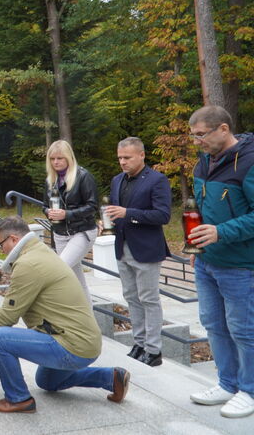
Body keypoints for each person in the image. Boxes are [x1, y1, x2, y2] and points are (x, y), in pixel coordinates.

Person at [0, 216, 129, 414]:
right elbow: (12, 307)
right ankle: (111, 378)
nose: (1, 249)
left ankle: (18, 399)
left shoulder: (28, 264)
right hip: (85, 342)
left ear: (13, 239)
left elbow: (9, 315)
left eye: (0, 244)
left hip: (71, 344)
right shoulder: (40, 252)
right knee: (46, 381)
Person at [186, 105, 254, 419]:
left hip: (241, 265)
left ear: (223, 129)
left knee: (244, 329)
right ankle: (227, 383)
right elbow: (201, 211)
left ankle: (249, 390)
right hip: (206, 262)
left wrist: (220, 232)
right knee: (214, 325)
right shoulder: (203, 163)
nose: (196, 141)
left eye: (201, 134)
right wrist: (193, 243)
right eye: (193, 135)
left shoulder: (250, 161)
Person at [105, 137, 171, 367]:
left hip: (146, 248)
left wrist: (128, 212)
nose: (122, 162)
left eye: (127, 158)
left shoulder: (157, 180)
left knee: (149, 299)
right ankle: (139, 343)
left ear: (142, 155)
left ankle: (153, 350)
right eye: (120, 158)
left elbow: (163, 215)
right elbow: (116, 211)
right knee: (131, 298)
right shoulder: (116, 180)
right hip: (122, 247)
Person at [42, 140, 99, 304]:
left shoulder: (83, 176)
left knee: (60, 269)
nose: (56, 162)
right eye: (52, 159)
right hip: (60, 233)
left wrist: (67, 214)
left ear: (68, 158)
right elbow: (44, 206)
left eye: (60, 158)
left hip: (82, 232)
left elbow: (92, 206)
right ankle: (89, 323)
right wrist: (49, 212)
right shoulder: (50, 180)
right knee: (76, 281)